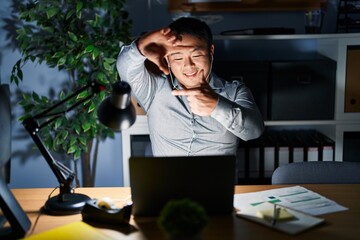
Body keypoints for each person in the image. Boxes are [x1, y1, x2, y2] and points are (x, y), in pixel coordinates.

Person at [116, 17, 264, 157]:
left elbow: (254, 131)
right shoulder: (155, 89)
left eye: (196, 55)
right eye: (178, 57)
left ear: (210, 51)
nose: (188, 66)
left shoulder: (235, 91)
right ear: (167, 58)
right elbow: (125, 67)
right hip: (166, 182)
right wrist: (140, 46)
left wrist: (216, 106)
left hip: (216, 182)